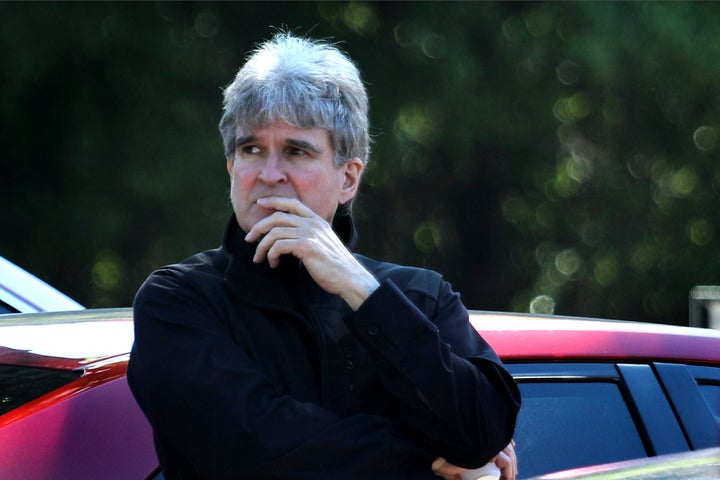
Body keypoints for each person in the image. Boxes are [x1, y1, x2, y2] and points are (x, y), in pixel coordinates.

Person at [128, 32, 521, 480]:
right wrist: (428, 459)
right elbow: (254, 450)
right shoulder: (178, 300)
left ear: (349, 178)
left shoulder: (420, 297)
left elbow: (483, 426)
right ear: (231, 167)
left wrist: (361, 290)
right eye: (251, 149)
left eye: (296, 151)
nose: (269, 174)